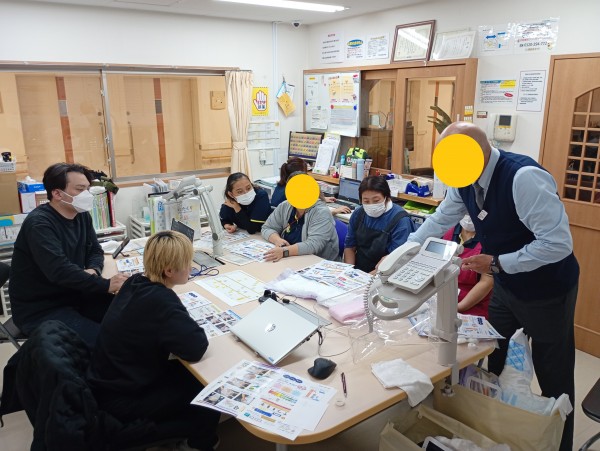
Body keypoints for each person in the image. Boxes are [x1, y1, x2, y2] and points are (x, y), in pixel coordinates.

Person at [408, 122, 579, 451]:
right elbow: (440, 219)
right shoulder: (464, 180)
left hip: (547, 290)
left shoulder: (522, 178)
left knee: (553, 375)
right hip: (505, 284)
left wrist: (499, 263)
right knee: (492, 355)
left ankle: (561, 444)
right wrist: (404, 252)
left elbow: (558, 244)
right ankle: (499, 435)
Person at [87, 230, 219, 451]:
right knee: (209, 385)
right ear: (169, 270)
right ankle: (198, 443)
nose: (191, 267)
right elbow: (196, 347)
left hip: (106, 382)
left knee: (184, 371)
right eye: (187, 263)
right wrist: (177, 312)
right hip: (124, 401)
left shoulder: (134, 282)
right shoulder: (162, 301)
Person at [9, 163, 128, 348]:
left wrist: (93, 269)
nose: (87, 195)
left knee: (131, 317)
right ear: (57, 193)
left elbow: (95, 250)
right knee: (108, 344)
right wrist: (106, 285)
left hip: (75, 294)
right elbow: (60, 271)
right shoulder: (39, 224)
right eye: (80, 189)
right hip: (42, 309)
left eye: (87, 189)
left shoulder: (81, 215)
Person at [343, 176, 415, 273]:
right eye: (366, 201)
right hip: (359, 271)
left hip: (386, 273)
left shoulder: (401, 221)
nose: (371, 205)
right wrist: (349, 272)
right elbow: (350, 247)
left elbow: (396, 260)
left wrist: (367, 278)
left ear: (386, 197)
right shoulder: (358, 214)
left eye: (376, 200)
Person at [261, 173, 340, 262]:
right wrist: (277, 240)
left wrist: (285, 251)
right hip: (291, 258)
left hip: (316, 261)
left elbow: (314, 245)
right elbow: (267, 228)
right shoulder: (285, 206)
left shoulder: (321, 212)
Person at [442, 214, 493, 318]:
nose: (468, 215)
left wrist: (458, 308)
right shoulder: (448, 230)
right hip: (443, 297)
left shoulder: (490, 240)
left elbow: (486, 282)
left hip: (473, 305)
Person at [271, 157, 351, 216]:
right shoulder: (293, 193)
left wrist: (323, 199)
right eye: (305, 173)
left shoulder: (281, 186)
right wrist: (335, 211)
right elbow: (310, 216)